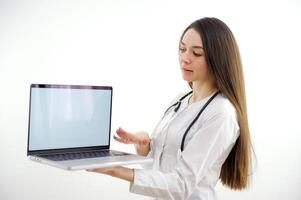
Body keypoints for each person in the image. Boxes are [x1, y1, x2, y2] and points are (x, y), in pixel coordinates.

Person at [87, 17, 253, 200]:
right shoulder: (180, 101)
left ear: (218, 58)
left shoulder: (222, 114)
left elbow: (180, 185)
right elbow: (160, 171)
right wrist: (145, 146)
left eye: (196, 53)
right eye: (182, 49)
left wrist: (116, 170)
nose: (185, 58)